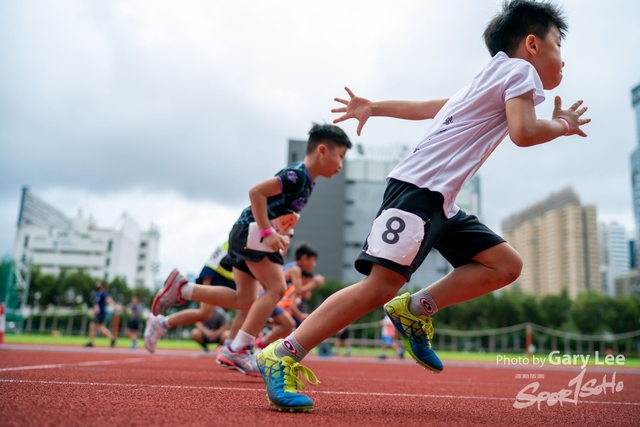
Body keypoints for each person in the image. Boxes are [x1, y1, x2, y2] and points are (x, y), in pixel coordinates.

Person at [256, 0, 590, 412]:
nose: (563, 58)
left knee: (505, 264)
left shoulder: (484, 81)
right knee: (378, 287)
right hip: (419, 190)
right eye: (559, 44)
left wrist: (375, 107)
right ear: (533, 44)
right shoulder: (518, 71)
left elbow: (429, 109)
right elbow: (522, 132)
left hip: (441, 200)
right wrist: (564, 126)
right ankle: (282, 353)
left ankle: (414, 310)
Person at [152, 123, 352, 376]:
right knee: (276, 288)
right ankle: (239, 349)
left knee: (245, 299)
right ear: (323, 150)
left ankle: (183, 288)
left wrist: (285, 234)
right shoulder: (297, 175)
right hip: (252, 233)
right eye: (341, 156)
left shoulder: (307, 182)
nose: (341, 164)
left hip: (246, 233)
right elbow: (256, 192)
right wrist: (268, 233)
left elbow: (285, 212)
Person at [143, 242, 248, 356]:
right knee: (250, 302)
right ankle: (182, 289)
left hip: (230, 262)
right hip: (225, 262)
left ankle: (161, 323)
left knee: (206, 313)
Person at [85, 281, 119, 348]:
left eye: (98, 283)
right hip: (98, 313)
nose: (96, 284)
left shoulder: (103, 293)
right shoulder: (98, 294)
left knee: (92, 325)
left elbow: (108, 300)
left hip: (101, 313)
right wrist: (94, 311)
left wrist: (115, 306)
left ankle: (91, 342)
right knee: (101, 328)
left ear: (102, 285)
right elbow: (96, 304)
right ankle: (112, 338)